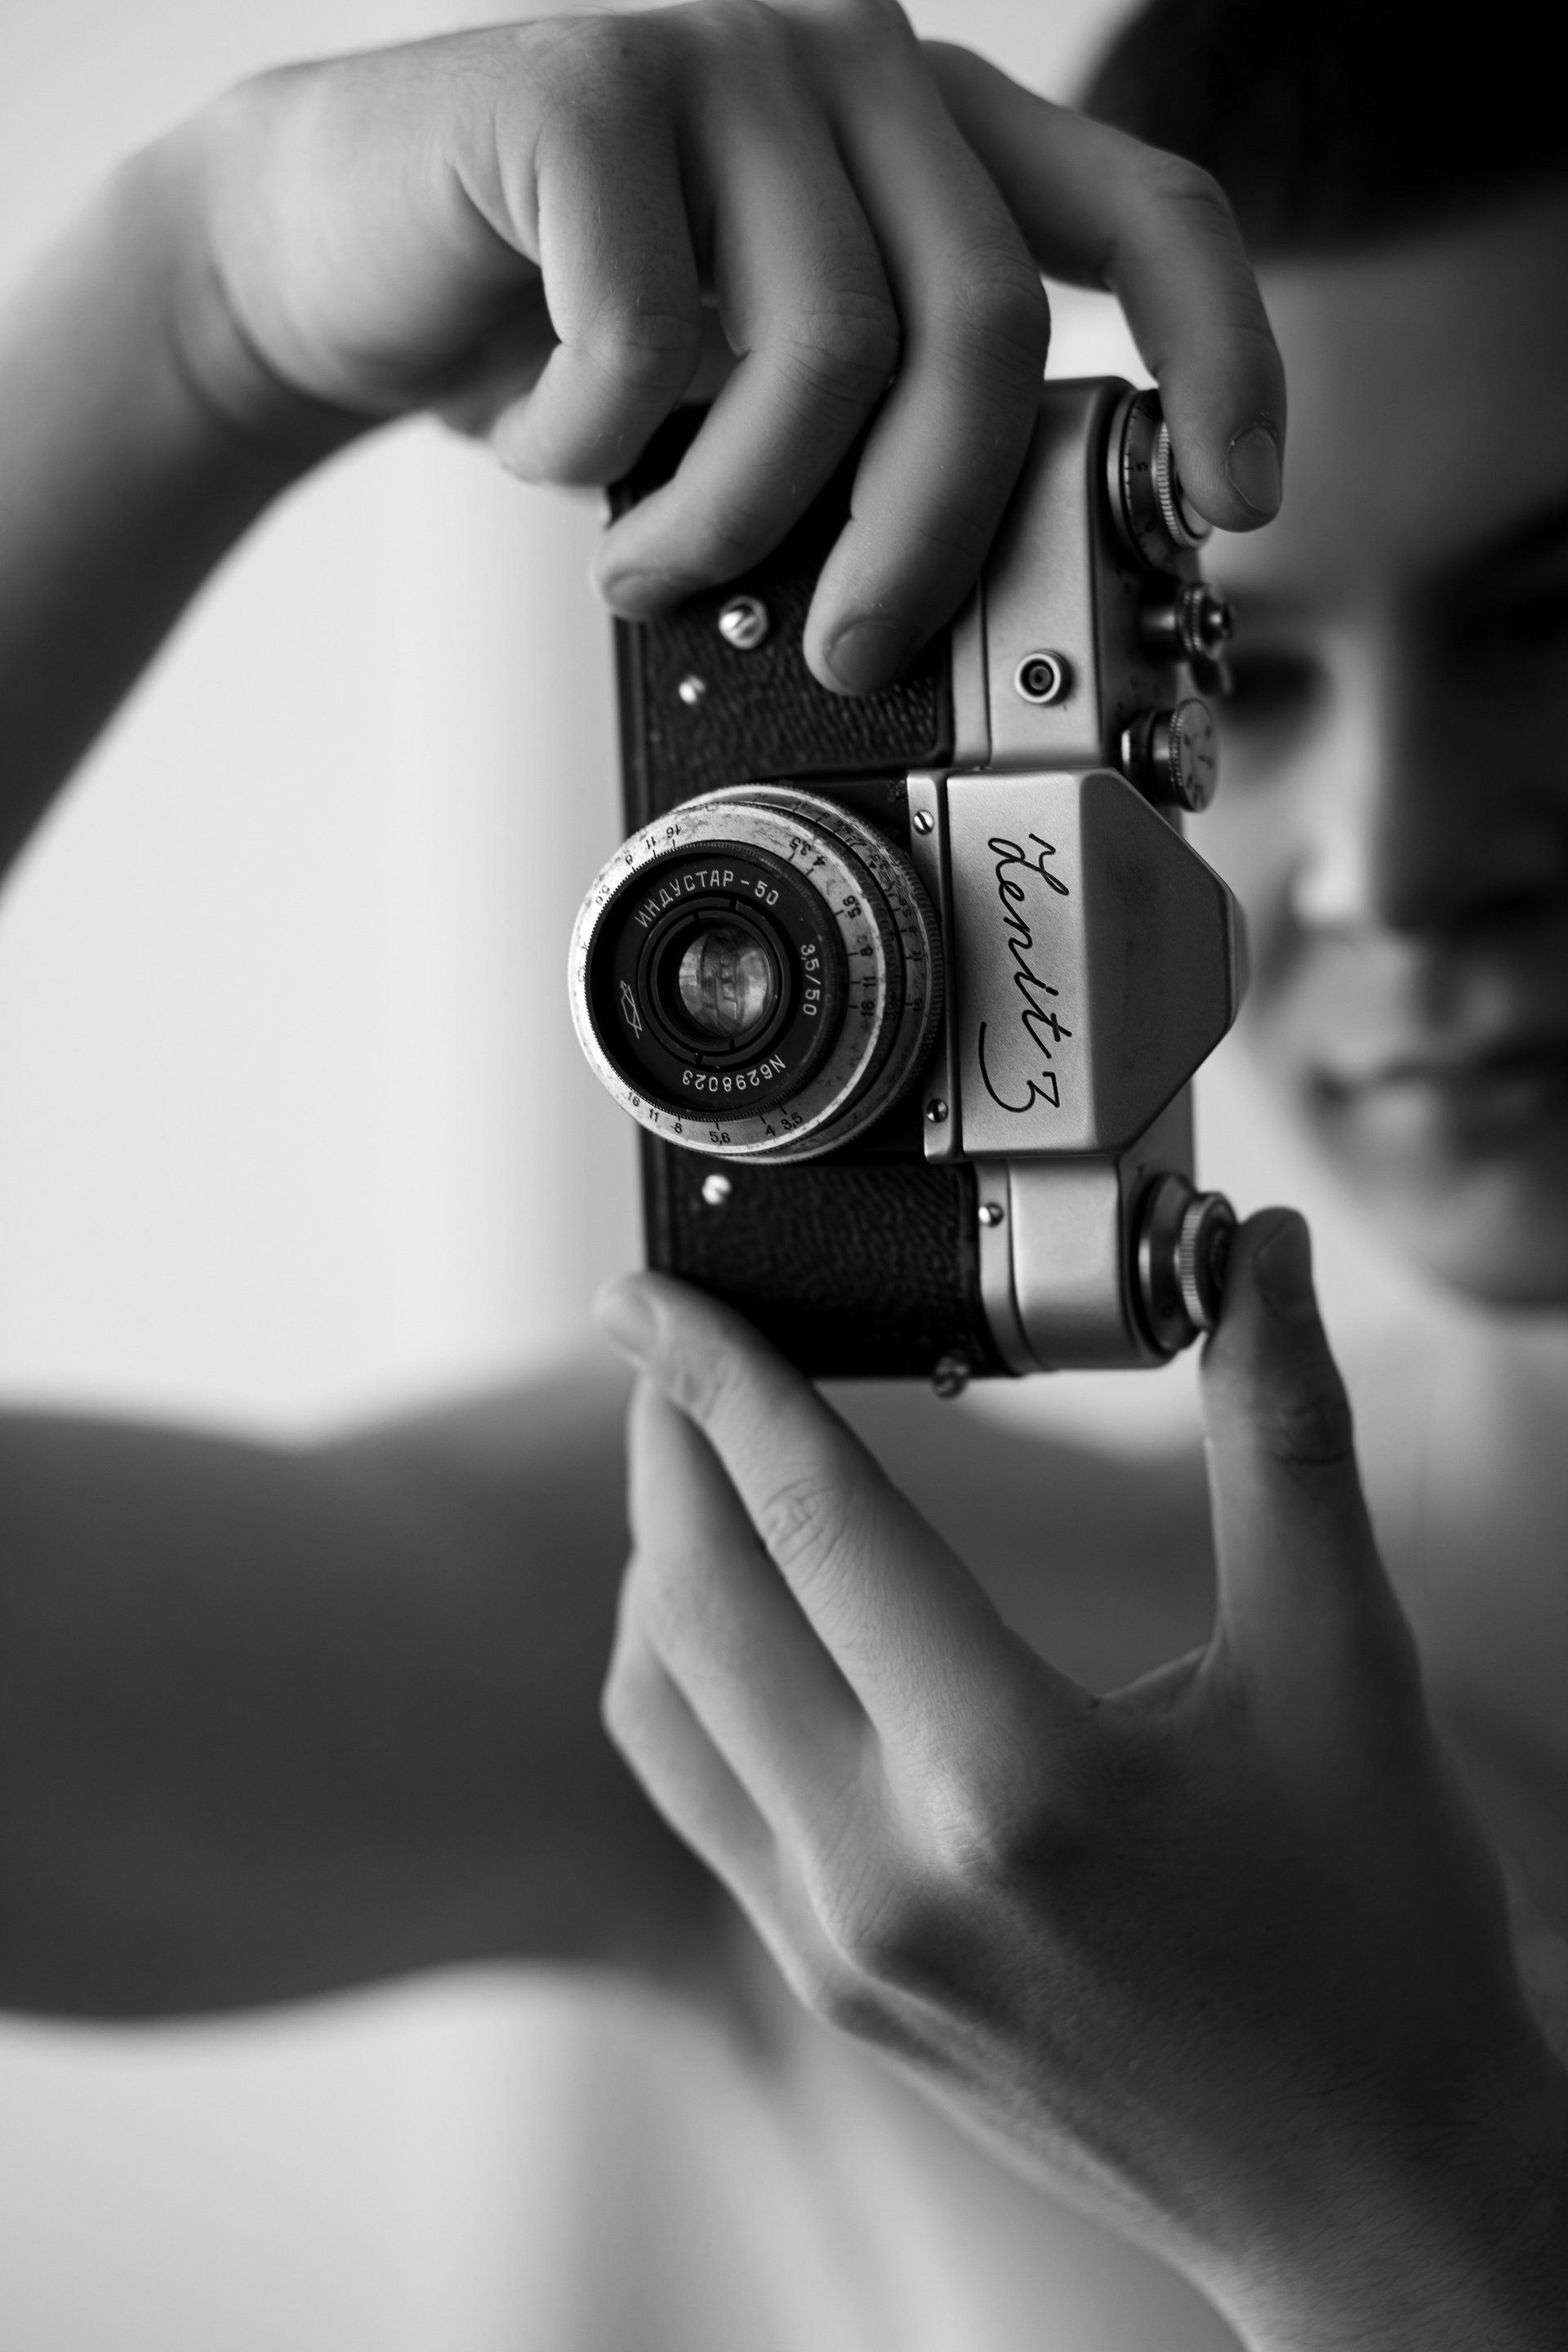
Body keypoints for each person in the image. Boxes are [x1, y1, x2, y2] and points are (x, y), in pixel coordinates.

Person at [0, 0, 1562, 2344]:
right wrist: (196, 309)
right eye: (1240, 667)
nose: (1398, 864)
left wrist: (1415, 2221)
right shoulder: (874, 1668)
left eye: (1550, 626)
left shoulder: (957, 1750)